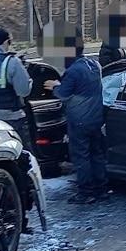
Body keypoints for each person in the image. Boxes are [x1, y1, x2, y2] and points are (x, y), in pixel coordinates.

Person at [44, 44, 107, 204]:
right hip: (96, 118)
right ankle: (101, 189)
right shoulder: (95, 65)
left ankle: (86, 192)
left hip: (79, 121)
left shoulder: (73, 71)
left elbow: (63, 94)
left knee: (81, 157)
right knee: (97, 154)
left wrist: (55, 86)